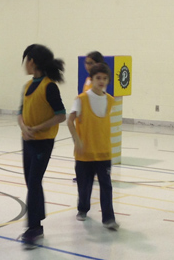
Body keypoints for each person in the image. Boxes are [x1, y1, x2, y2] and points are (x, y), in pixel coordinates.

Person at [18, 44, 66, 248]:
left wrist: (37, 128)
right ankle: (39, 218)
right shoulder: (28, 86)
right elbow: (20, 112)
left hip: (43, 143)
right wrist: (24, 126)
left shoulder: (49, 86)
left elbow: (61, 115)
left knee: (35, 182)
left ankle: (34, 227)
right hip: (27, 140)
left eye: (26, 59)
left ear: (33, 61)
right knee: (31, 182)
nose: (24, 64)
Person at [68, 62, 119, 231]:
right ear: (92, 79)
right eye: (98, 78)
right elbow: (70, 120)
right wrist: (77, 140)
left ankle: (109, 218)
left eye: (105, 78)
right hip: (85, 153)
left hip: (104, 152)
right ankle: (82, 209)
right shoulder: (82, 99)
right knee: (85, 185)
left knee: (106, 185)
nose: (102, 81)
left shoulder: (110, 100)